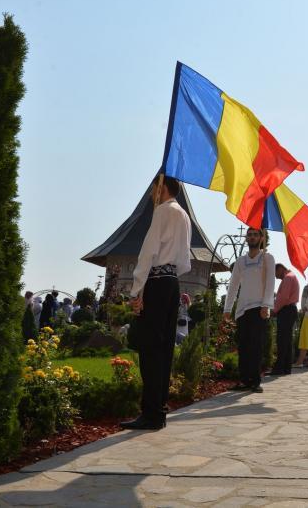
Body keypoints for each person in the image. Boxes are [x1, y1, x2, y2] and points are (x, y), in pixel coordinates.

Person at [122, 175, 192, 430]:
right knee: (164, 349)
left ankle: (150, 413)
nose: (152, 194)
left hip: (155, 282)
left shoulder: (163, 211)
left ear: (161, 187)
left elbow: (148, 252)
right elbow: (185, 261)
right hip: (172, 282)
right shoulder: (183, 215)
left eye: (154, 188)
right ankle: (159, 410)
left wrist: (136, 291)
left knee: (150, 349)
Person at [223, 228, 275, 393]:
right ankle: (244, 380)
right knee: (244, 346)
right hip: (243, 309)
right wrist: (227, 309)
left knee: (256, 346)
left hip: (258, 307)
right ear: (247, 238)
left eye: (255, 234)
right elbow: (233, 286)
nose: (252, 237)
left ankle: (255, 381)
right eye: (249, 235)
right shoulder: (240, 261)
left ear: (261, 238)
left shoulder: (267, 258)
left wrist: (266, 305)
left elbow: (270, 283)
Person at [269, 263, 300, 375]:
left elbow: (283, 298)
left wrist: (274, 310)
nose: (275, 276)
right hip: (290, 310)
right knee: (287, 340)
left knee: (282, 340)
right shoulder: (292, 276)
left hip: (286, 311)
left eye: (275, 273)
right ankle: (286, 367)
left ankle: (279, 367)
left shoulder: (287, 278)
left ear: (280, 269)